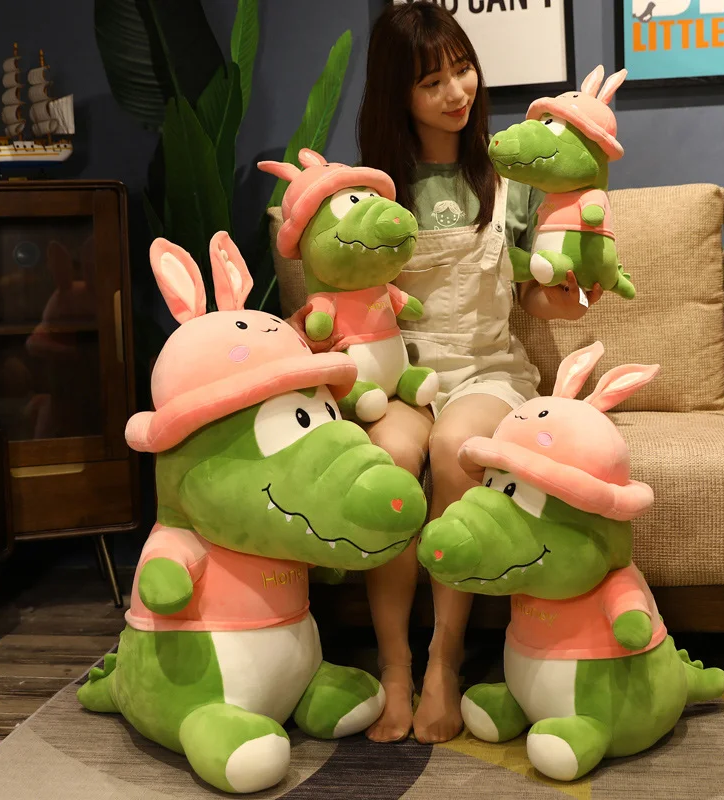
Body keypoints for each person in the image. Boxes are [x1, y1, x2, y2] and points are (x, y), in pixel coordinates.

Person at [286, 1, 602, 744]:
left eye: (462, 70)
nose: (457, 91)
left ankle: (443, 659)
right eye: (432, 81)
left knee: (458, 448)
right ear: (397, 93)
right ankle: (394, 665)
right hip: (399, 374)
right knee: (390, 461)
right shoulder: (370, 190)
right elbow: (341, 286)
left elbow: (530, 291)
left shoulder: (509, 174)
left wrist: (564, 300)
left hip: (488, 369)